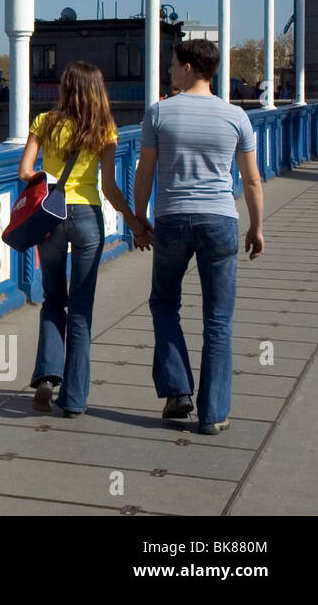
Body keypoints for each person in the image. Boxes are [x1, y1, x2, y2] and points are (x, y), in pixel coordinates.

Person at [134, 39, 264, 435]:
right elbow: (251, 178)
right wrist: (257, 226)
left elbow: (145, 173)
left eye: (173, 64)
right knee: (219, 320)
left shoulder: (159, 114)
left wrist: (139, 219)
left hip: (173, 219)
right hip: (220, 220)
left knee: (163, 304)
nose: (170, 70)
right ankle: (213, 414)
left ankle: (178, 390)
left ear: (189, 67)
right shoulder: (235, 116)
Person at [19, 62, 150, 417]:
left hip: (51, 218)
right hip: (87, 219)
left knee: (52, 299)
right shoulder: (104, 129)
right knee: (80, 310)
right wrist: (135, 222)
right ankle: (74, 399)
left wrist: (48, 177)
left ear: (65, 86)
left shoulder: (44, 122)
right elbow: (108, 187)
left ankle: (47, 374)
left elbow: (25, 171)